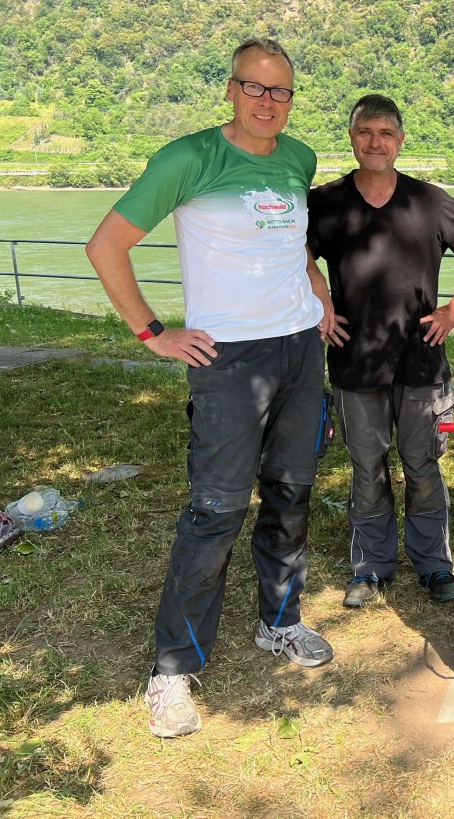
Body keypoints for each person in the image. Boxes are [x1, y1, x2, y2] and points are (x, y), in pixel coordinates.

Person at [86, 38, 337, 739]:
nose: (267, 101)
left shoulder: (299, 158)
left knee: (290, 491)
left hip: (299, 349)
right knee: (217, 509)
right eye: (254, 87)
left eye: (280, 91)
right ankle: (172, 669)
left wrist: (318, 297)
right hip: (227, 358)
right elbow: (106, 246)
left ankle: (279, 621)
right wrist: (152, 332)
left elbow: (295, 243)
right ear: (230, 88)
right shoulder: (187, 158)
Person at [307, 94, 454, 609]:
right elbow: (294, 253)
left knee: (423, 466)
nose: (375, 142)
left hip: (421, 359)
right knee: (367, 468)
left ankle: (433, 564)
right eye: (365, 132)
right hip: (354, 358)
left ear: (400, 141)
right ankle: (371, 566)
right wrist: (321, 299)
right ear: (352, 138)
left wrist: (453, 312)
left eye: (385, 133)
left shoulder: (431, 201)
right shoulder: (325, 202)